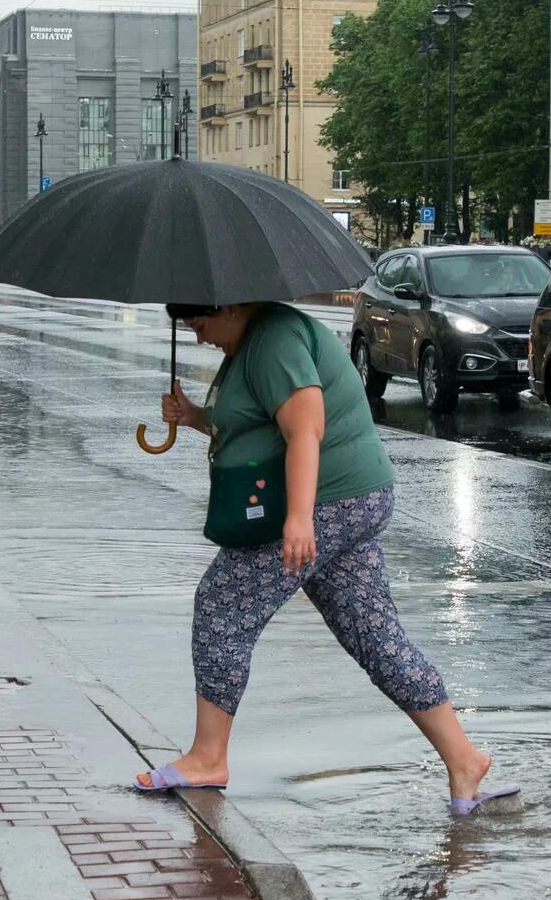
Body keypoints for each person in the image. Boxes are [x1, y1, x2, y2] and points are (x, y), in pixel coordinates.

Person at [141, 300, 517, 817]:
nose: (200, 338)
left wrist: (299, 519)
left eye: (202, 325)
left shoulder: (274, 340)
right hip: (353, 498)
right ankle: (464, 760)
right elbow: (257, 425)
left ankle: (208, 757)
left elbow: (305, 429)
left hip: (330, 501)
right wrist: (195, 417)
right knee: (376, 636)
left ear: (228, 306)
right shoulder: (252, 340)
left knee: (222, 606)